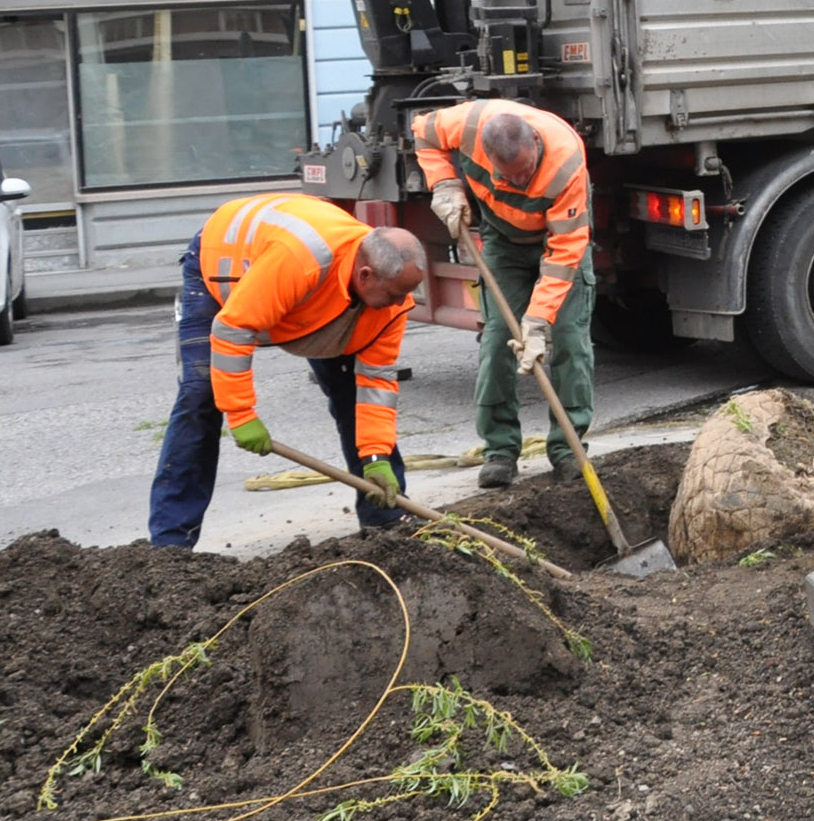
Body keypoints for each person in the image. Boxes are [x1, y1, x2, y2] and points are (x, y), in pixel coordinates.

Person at [148, 193, 426, 547]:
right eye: (394, 294)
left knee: (349, 389)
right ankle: (170, 544)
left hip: (313, 298)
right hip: (223, 270)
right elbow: (233, 330)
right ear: (366, 274)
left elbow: (375, 383)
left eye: (406, 294)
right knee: (202, 396)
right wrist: (240, 413)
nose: (401, 304)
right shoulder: (301, 261)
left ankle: (386, 519)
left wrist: (376, 455)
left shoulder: (388, 302)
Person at [412, 100, 596, 489]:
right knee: (497, 341)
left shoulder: (566, 160)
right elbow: (423, 131)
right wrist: (445, 184)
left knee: (568, 341)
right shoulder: (466, 126)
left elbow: (564, 253)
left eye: (526, 172)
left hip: (558, 238)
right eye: (507, 176)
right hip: (502, 241)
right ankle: (500, 451)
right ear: (484, 151)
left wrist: (537, 320)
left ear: (534, 141)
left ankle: (568, 448)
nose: (518, 183)